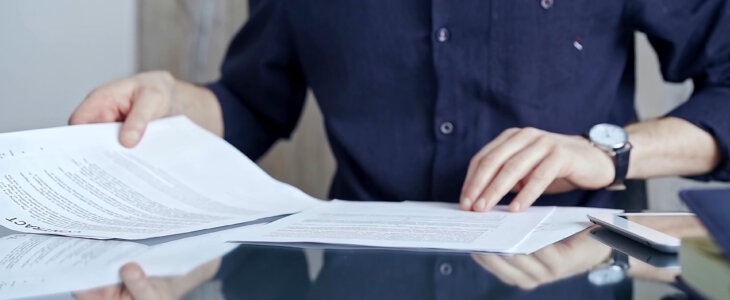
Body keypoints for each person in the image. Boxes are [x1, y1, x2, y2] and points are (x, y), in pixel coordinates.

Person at [71, 0, 730, 298]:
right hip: (359, 278)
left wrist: (609, 153)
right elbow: (251, 103)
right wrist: (171, 101)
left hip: (573, 275)